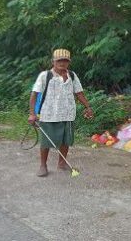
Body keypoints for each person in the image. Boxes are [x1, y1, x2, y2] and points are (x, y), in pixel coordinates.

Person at [28, 49, 94, 177]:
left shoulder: (72, 76)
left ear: (68, 62)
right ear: (53, 61)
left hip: (68, 114)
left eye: (65, 61)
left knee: (66, 140)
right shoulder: (45, 75)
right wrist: (32, 114)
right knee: (45, 142)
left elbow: (79, 93)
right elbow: (34, 94)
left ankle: (62, 163)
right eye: (59, 60)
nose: (62, 63)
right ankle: (43, 165)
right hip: (49, 114)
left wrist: (88, 107)